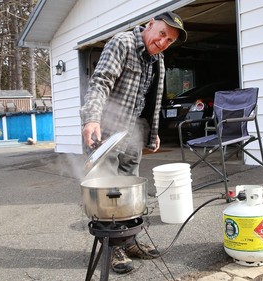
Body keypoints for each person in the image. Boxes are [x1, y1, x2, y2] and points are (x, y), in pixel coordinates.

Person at [80, 11, 187, 273]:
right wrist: (92, 119)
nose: (163, 42)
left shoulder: (158, 59)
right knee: (109, 196)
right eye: (162, 34)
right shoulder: (122, 43)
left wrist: (153, 132)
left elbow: (151, 100)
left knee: (129, 194)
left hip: (133, 133)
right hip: (105, 132)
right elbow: (101, 82)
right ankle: (112, 247)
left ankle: (128, 242)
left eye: (169, 40)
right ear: (150, 25)